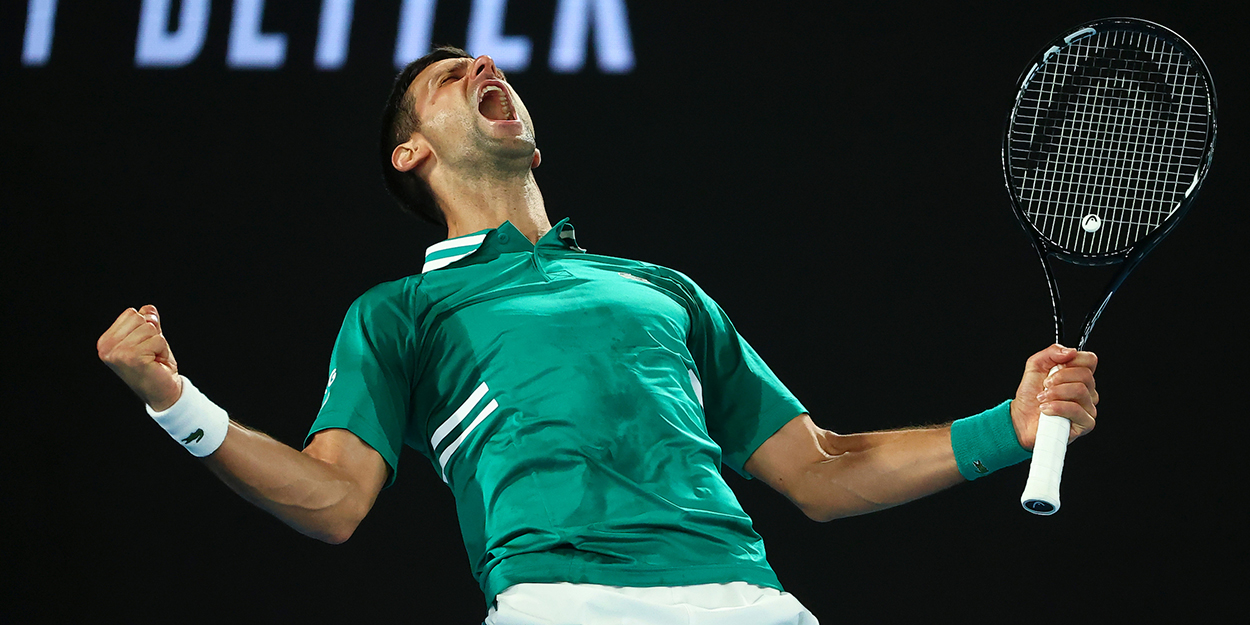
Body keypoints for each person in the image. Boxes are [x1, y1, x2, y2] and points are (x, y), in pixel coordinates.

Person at [97, 47, 1099, 624]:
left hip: (750, 603)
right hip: (565, 605)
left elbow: (820, 471)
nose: (482, 65)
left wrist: (1003, 427)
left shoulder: (661, 288)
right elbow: (331, 500)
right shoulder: (400, 314)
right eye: (450, 75)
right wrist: (174, 401)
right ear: (409, 152)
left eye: (484, 65)